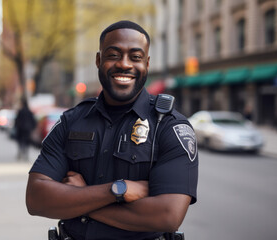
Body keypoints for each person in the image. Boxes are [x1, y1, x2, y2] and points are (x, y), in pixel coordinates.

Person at [26, 20, 198, 240]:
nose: (124, 64)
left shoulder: (170, 126)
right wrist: (119, 190)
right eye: (113, 55)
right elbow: (36, 199)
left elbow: (167, 215)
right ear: (99, 60)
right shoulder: (71, 121)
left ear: (147, 63)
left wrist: (80, 201)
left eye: (135, 57)